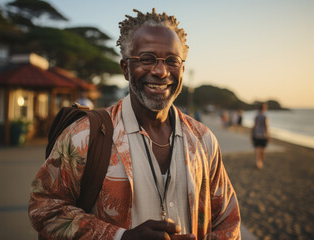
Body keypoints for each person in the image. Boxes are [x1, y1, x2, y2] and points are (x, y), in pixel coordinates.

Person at [28, 9, 241, 240]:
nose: (161, 71)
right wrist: (121, 237)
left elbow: (228, 223)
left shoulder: (204, 140)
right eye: (147, 59)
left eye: (172, 61)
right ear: (125, 69)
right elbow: (45, 209)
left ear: (182, 69)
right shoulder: (84, 136)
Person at [252, 103, 270, 169]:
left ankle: (257, 162)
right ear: (264, 108)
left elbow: (254, 125)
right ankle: (261, 162)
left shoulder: (256, 116)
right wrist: (268, 135)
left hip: (256, 134)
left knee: (257, 149)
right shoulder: (265, 116)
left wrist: (252, 133)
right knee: (262, 150)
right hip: (263, 135)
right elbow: (266, 126)